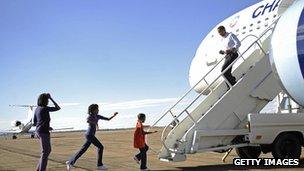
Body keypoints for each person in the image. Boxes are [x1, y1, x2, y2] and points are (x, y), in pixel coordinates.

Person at [66, 104, 118, 170]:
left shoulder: (97, 116)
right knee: (100, 147)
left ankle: (70, 162)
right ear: (93, 110)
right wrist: (95, 123)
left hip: (90, 135)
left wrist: (114, 115)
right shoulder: (90, 116)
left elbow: (108, 119)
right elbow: (87, 120)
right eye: (97, 109)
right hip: (89, 135)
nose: (98, 110)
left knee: (83, 150)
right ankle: (99, 165)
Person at [33, 93, 61, 171]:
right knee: (45, 152)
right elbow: (58, 108)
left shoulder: (37, 109)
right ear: (44, 100)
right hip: (43, 132)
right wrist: (51, 98)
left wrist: (46, 126)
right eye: (47, 100)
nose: (48, 101)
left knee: (46, 152)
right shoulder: (45, 108)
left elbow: (35, 122)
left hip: (39, 131)